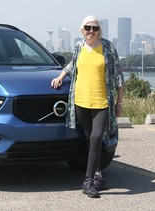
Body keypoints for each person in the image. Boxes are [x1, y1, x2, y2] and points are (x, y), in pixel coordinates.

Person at [51, 15, 124, 198]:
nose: (91, 31)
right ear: (82, 29)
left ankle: (88, 181)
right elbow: (72, 65)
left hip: (102, 102)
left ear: (100, 31)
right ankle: (98, 176)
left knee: (97, 137)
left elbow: (118, 75)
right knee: (90, 139)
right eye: (88, 28)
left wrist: (119, 102)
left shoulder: (107, 47)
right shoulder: (78, 46)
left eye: (95, 28)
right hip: (80, 102)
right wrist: (60, 77)